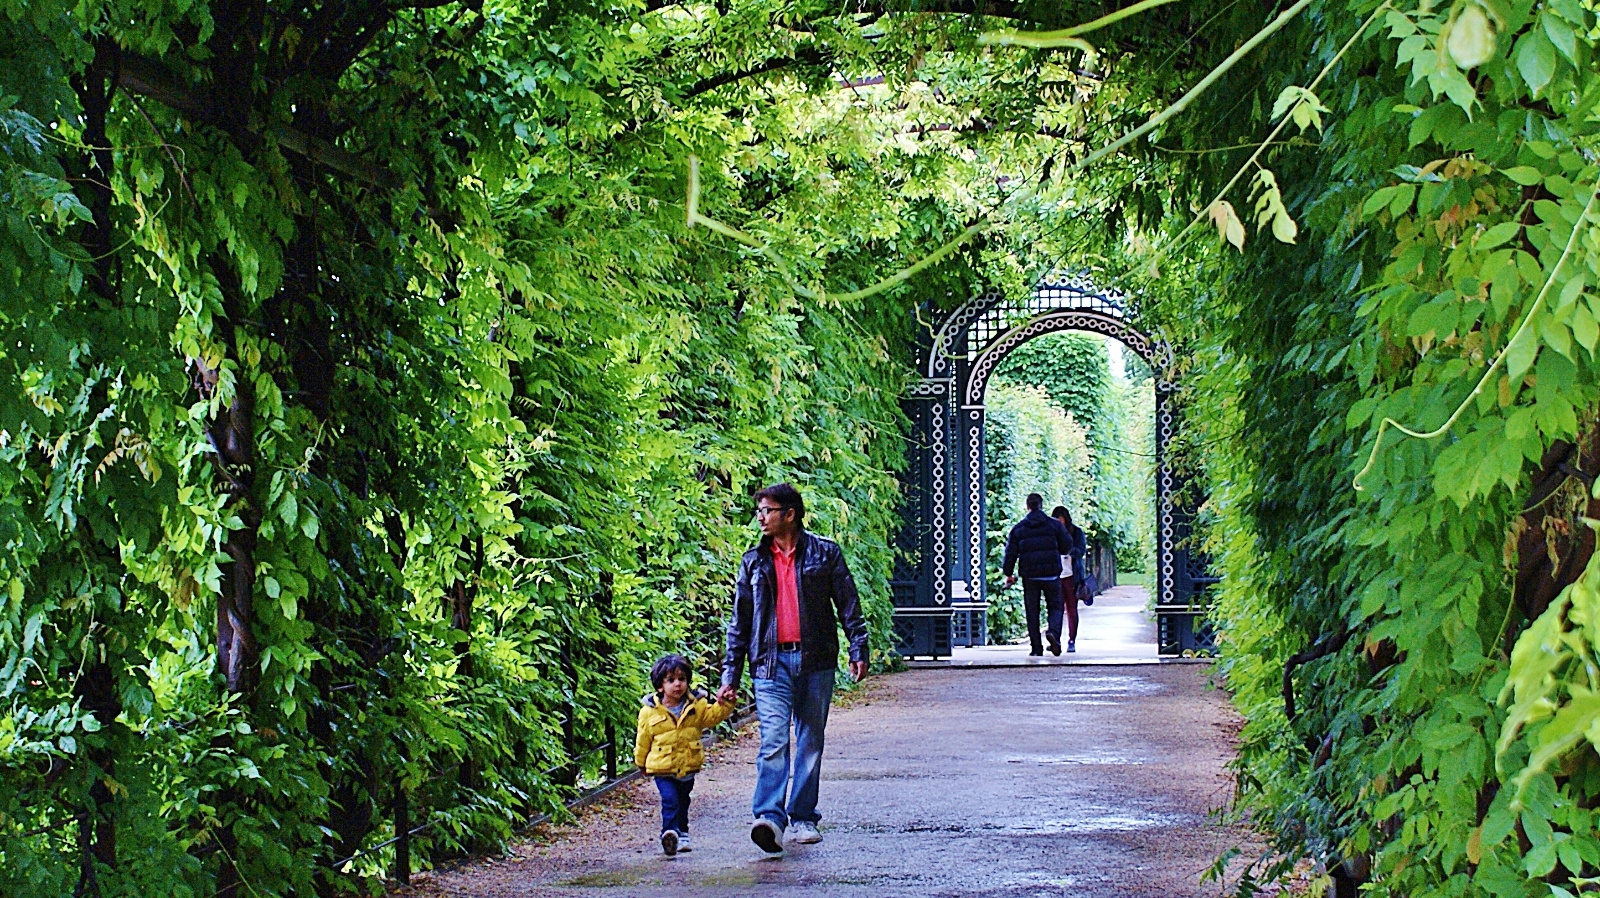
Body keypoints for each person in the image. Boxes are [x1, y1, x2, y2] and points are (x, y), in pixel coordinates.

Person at [720, 482, 869, 855]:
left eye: (767, 511)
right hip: (769, 663)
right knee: (773, 739)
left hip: (815, 659)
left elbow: (848, 603)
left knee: (810, 739)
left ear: (790, 514)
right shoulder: (753, 561)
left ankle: (802, 816)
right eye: (759, 511)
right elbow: (740, 622)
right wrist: (730, 676)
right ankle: (769, 818)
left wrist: (858, 646)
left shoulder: (826, 554)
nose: (760, 518)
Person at [635, 653, 737, 856]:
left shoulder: (696, 706)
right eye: (671, 680)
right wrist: (641, 762)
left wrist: (725, 704)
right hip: (662, 766)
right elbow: (643, 740)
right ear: (660, 686)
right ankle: (669, 832)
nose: (677, 685)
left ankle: (682, 832)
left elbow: (711, 717)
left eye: (682, 679)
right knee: (670, 799)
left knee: (683, 800)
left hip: (687, 764)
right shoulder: (649, 712)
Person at [1002, 493, 1073, 656]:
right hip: (1051, 573)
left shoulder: (1019, 528)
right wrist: (1059, 551)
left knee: (1032, 610)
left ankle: (1036, 647)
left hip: (1030, 575)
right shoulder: (1054, 525)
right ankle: (1053, 633)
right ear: (1041, 506)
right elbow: (1067, 545)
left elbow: (1011, 553)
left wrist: (1009, 573)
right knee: (1055, 606)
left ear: (1028, 507)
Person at [1051, 506, 1089, 653]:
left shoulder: (1076, 532)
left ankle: (1072, 639)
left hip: (1071, 577)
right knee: (1057, 610)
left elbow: (1081, 551)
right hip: (1056, 575)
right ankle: (1056, 639)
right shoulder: (1051, 533)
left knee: (1072, 610)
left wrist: (1068, 549)